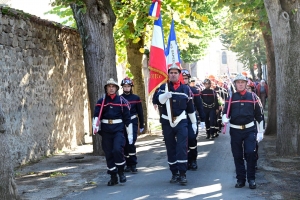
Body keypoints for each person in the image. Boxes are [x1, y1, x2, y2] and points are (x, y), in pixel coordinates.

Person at [153, 64, 196, 185]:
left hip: (181, 121)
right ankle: (174, 173)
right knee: (170, 147)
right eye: (171, 73)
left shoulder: (185, 89)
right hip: (167, 122)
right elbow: (156, 100)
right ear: (168, 74)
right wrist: (165, 96)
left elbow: (190, 107)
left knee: (182, 147)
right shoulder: (163, 87)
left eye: (175, 73)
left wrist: (194, 122)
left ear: (179, 74)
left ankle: (182, 173)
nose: (173, 74)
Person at [222, 73, 264, 189]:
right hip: (235, 131)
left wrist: (260, 132)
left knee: (250, 153)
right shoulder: (231, 98)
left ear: (246, 84)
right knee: (237, 155)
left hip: (249, 130)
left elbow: (259, 115)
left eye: (242, 82)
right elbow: (226, 112)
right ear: (235, 84)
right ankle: (240, 179)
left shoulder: (253, 97)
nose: (240, 84)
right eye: (238, 82)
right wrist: (224, 117)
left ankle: (251, 179)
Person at [92, 78, 132, 186]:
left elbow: (127, 118)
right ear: (106, 88)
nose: (111, 88)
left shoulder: (121, 101)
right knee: (108, 153)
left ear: (116, 88)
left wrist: (130, 133)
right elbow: (96, 115)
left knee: (117, 150)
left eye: (113, 86)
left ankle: (121, 172)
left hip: (118, 130)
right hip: (106, 131)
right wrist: (94, 126)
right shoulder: (102, 101)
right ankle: (113, 175)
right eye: (109, 86)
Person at [181, 70, 205, 170]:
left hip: (191, 119)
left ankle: (193, 160)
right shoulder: (175, 91)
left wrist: (203, 120)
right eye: (182, 78)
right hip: (180, 119)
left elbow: (199, 106)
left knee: (191, 138)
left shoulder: (194, 91)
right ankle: (185, 160)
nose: (184, 80)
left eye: (186, 78)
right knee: (182, 141)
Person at [120, 77, 144, 173]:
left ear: (131, 87)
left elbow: (140, 112)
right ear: (122, 87)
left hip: (133, 122)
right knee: (125, 143)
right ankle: (127, 164)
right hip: (123, 123)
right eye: (125, 86)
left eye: (128, 86)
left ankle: (133, 164)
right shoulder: (120, 98)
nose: (126, 88)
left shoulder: (136, 98)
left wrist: (142, 124)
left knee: (131, 142)